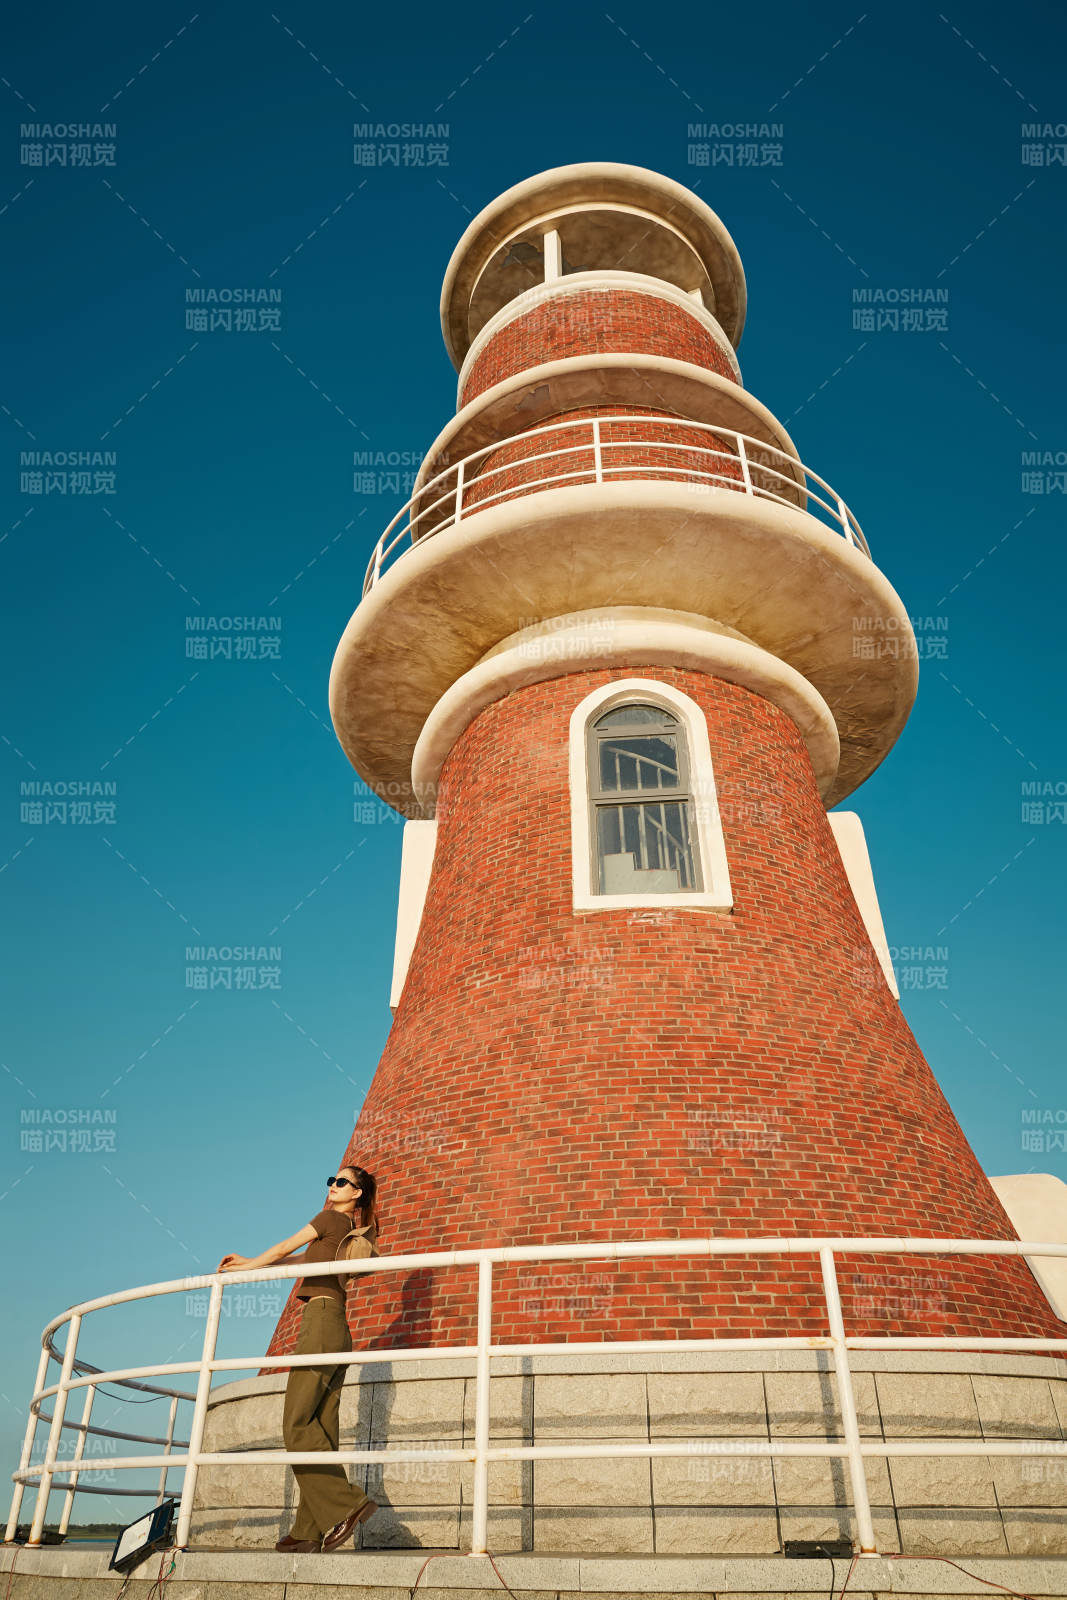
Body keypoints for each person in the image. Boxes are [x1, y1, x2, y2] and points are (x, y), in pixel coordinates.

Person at [218, 1164, 381, 1553]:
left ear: (356, 1193)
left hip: (320, 1322)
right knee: (321, 1427)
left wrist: (247, 1267)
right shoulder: (344, 1231)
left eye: (341, 1182)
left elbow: (283, 1247)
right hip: (337, 1326)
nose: (333, 1186)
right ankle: (309, 1529)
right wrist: (249, 1262)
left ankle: (348, 1504)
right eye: (331, 1180)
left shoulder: (328, 1219)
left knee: (296, 1422)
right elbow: (295, 1262)